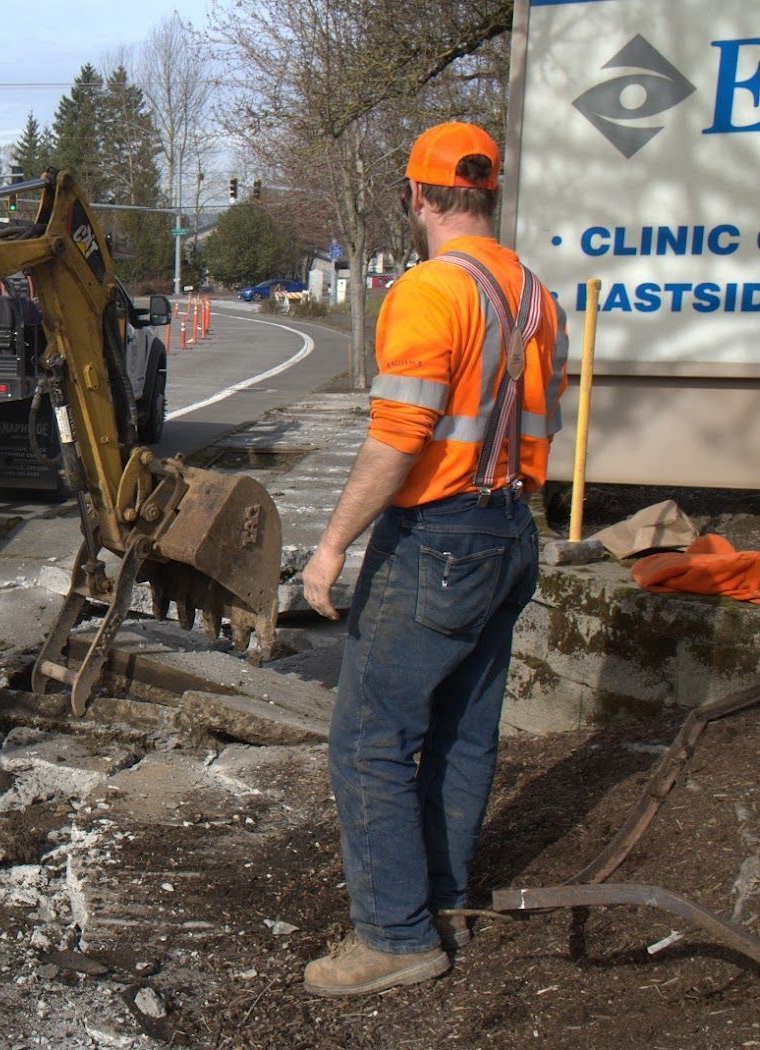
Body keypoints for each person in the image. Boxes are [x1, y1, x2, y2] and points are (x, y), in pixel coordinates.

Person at [299, 122, 568, 997]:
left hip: (440, 538)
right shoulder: (534, 295)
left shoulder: (427, 292)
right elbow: (542, 425)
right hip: (512, 530)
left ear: (417, 197)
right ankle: (440, 896)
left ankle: (393, 935)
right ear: (486, 193)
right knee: (463, 731)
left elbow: (398, 437)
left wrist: (332, 546)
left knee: (370, 740)